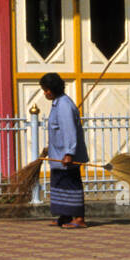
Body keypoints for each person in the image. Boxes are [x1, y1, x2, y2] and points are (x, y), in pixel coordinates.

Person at [39, 73, 89, 228]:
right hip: (57, 154)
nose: (45, 93)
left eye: (46, 89)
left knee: (71, 184)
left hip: (66, 156)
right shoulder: (58, 104)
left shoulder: (64, 106)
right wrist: (50, 147)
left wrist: (69, 153)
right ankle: (65, 216)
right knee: (60, 184)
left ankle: (79, 219)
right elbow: (57, 131)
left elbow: (69, 131)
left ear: (51, 90)